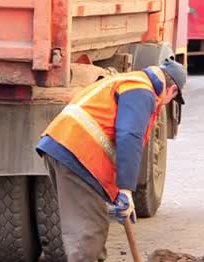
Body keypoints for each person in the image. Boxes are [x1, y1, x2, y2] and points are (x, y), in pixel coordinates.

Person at [36, 58, 187, 261]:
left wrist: (118, 195)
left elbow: (111, 143)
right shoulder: (142, 91)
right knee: (88, 234)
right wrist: (125, 190)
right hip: (77, 154)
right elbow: (129, 136)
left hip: (69, 150)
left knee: (91, 228)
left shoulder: (130, 81)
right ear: (172, 91)